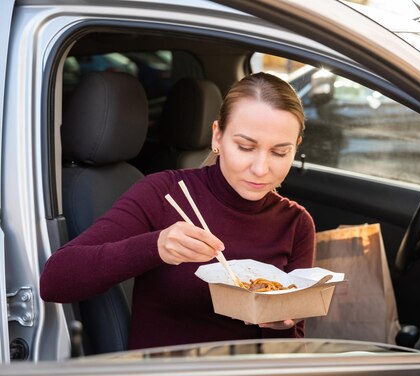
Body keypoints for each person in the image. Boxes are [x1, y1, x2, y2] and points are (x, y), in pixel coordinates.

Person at [40, 72, 315, 350]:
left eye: (280, 152)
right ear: (217, 136)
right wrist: (156, 247)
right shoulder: (165, 193)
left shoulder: (296, 223)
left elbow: (290, 349)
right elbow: (55, 280)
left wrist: (282, 325)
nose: (260, 168)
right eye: (245, 147)